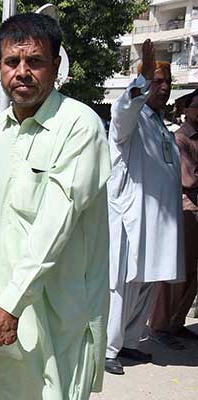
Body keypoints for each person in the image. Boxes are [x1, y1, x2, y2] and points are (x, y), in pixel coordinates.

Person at [0, 13, 110, 400]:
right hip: (2, 308)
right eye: (12, 62)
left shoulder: (79, 126)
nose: (22, 72)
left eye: (36, 62)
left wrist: (12, 303)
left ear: (56, 66)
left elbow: (55, 225)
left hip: (59, 314)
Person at [104, 39, 184, 375]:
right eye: (156, 81)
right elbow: (121, 113)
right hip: (131, 217)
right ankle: (108, 349)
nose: (163, 88)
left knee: (148, 282)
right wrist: (140, 83)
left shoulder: (160, 124)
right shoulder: (131, 119)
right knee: (124, 283)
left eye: (167, 83)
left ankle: (130, 343)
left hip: (159, 221)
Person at [148, 90, 198, 349]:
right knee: (175, 272)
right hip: (186, 209)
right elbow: (188, 179)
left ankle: (176, 323)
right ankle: (159, 326)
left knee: (192, 274)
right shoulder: (181, 138)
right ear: (187, 110)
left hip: (193, 209)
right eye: (197, 107)